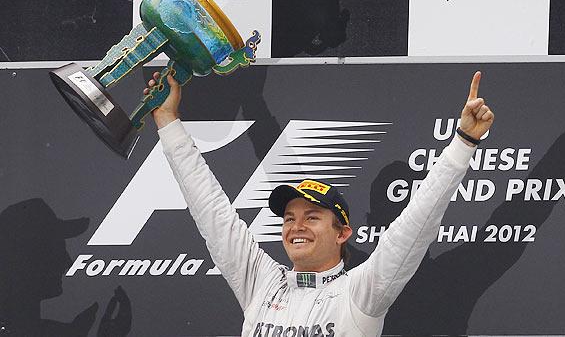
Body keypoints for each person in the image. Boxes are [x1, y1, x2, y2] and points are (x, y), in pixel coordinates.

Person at [144, 71, 494, 336]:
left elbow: (415, 228)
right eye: (289, 217)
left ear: (343, 234)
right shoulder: (261, 282)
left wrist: (462, 143)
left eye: (312, 217)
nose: (296, 226)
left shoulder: (359, 293)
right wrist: (168, 122)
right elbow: (210, 209)